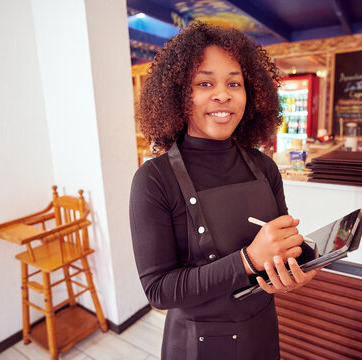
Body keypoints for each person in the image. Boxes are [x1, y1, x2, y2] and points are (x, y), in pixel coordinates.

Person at [129, 21, 320, 360]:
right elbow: (158, 290)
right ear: (179, 95)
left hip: (261, 330)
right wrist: (247, 261)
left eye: (234, 82)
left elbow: (277, 244)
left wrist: (303, 260)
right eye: (205, 83)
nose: (223, 94)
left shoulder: (264, 167)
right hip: (196, 342)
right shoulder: (154, 179)